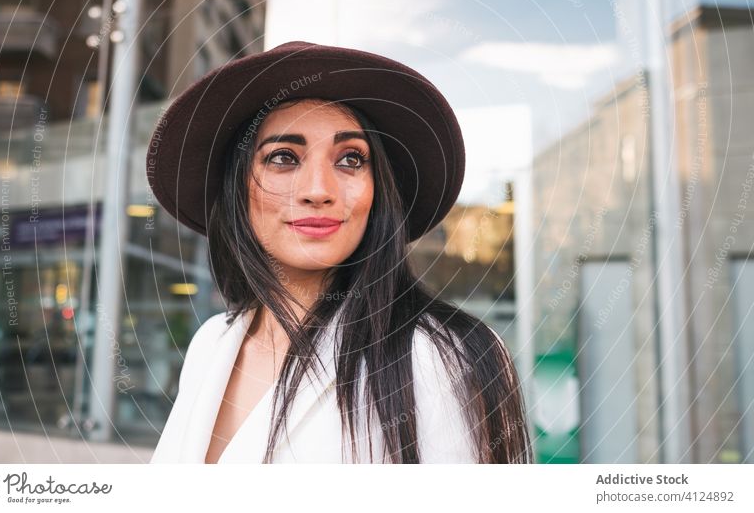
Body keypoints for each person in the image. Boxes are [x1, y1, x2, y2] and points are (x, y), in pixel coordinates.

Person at [146, 40, 533, 464]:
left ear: (377, 190)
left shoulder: (440, 357)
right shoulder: (212, 342)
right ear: (236, 188)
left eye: (350, 159)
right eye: (282, 157)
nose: (317, 191)